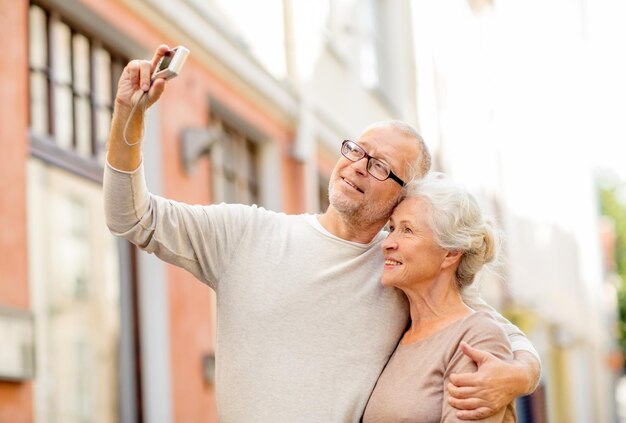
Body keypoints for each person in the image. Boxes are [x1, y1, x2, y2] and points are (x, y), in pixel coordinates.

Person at [103, 45, 540, 422]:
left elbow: (498, 335)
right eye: (356, 150)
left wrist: (518, 375)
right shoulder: (246, 233)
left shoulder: (400, 269)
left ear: (404, 197)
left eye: (381, 166)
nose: (357, 166)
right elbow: (130, 217)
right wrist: (128, 117)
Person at [362, 173, 516, 422]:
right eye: (392, 228)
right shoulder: (398, 331)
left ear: (450, 254)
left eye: (407, 230)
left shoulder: (477, 337)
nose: (387, 242)